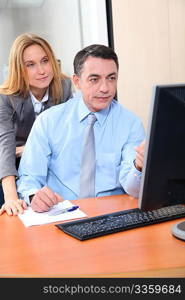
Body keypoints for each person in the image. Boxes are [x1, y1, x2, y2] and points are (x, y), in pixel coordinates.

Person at [16, 44, 145, 213]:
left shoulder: (131, 124)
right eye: (94, 79)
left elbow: (134, 190)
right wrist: (34, 196)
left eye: (111, 78)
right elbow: (29, 179)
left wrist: (139, 167)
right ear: (77, 82)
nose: (105, 88)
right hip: (62, 213)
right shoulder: (48, 121)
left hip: (112, 214)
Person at [0, 33, 72, 216]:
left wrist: (30, 148)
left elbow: (67, 137)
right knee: (14, 211)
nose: (42, 70)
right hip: (12, 166)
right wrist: (10, 197)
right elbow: (6, 148)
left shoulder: (63, 87)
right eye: (30, 65)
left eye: (45, 60)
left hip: (47, 162)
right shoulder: (5, 98)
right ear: (19, 69)